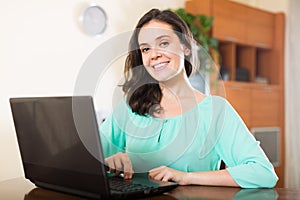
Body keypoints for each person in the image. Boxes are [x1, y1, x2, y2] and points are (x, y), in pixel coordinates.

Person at [99, 8, 278, 188]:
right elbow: (87, 160)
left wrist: (186, 177)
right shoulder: (131, 105)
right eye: (146, 49)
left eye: (163, 43)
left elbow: (263, 173)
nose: (154, 55)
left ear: (185, 47)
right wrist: (111, 162)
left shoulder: (215, 111)